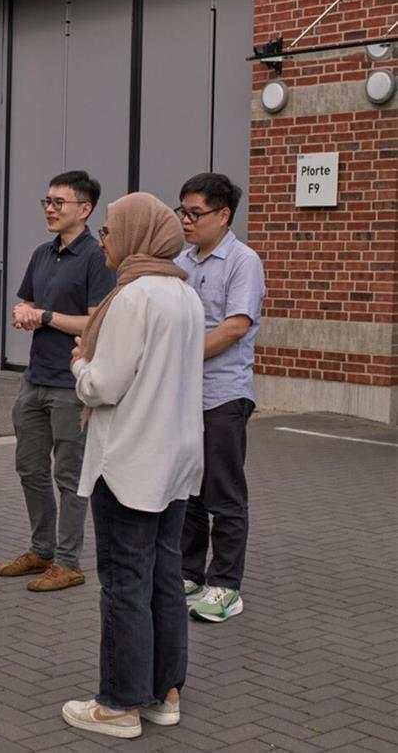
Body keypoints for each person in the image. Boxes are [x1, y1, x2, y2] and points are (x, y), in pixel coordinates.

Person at [59, 192, 204, 740]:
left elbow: (104, 384)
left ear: (137, 234)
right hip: (176, 460)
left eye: (110, 231)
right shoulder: (184, 294)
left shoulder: (133, 296)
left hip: (130, 462)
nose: (104, 242)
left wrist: (80, 364)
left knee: (124, 580)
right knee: (164, 577)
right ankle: (165, 692)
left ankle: (119, 703)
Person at [0, 170, 115, 591]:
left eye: (58, 203)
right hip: (34, 379)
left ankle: (68, 562)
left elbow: (95, 321)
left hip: (71, 386)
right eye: (46, 201)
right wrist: (23, 313)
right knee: (29, 468)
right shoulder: (41, 254)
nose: (49, 209)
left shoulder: (98, 258)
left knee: (70, 477)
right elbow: (28, 302)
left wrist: (45, 316)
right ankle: (41, 550)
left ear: (84, 209)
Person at [175, 173, 265, 623]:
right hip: (185, 395)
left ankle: (226, 585)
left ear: (223, 214)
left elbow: (234, 327)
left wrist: (178, 354)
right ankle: (189, 572)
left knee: (223, 492)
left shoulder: (242, 261)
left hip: (224, 395)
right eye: (182, 212)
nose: (186, 221)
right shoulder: (183, 261)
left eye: (196, 213)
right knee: (191, 489)